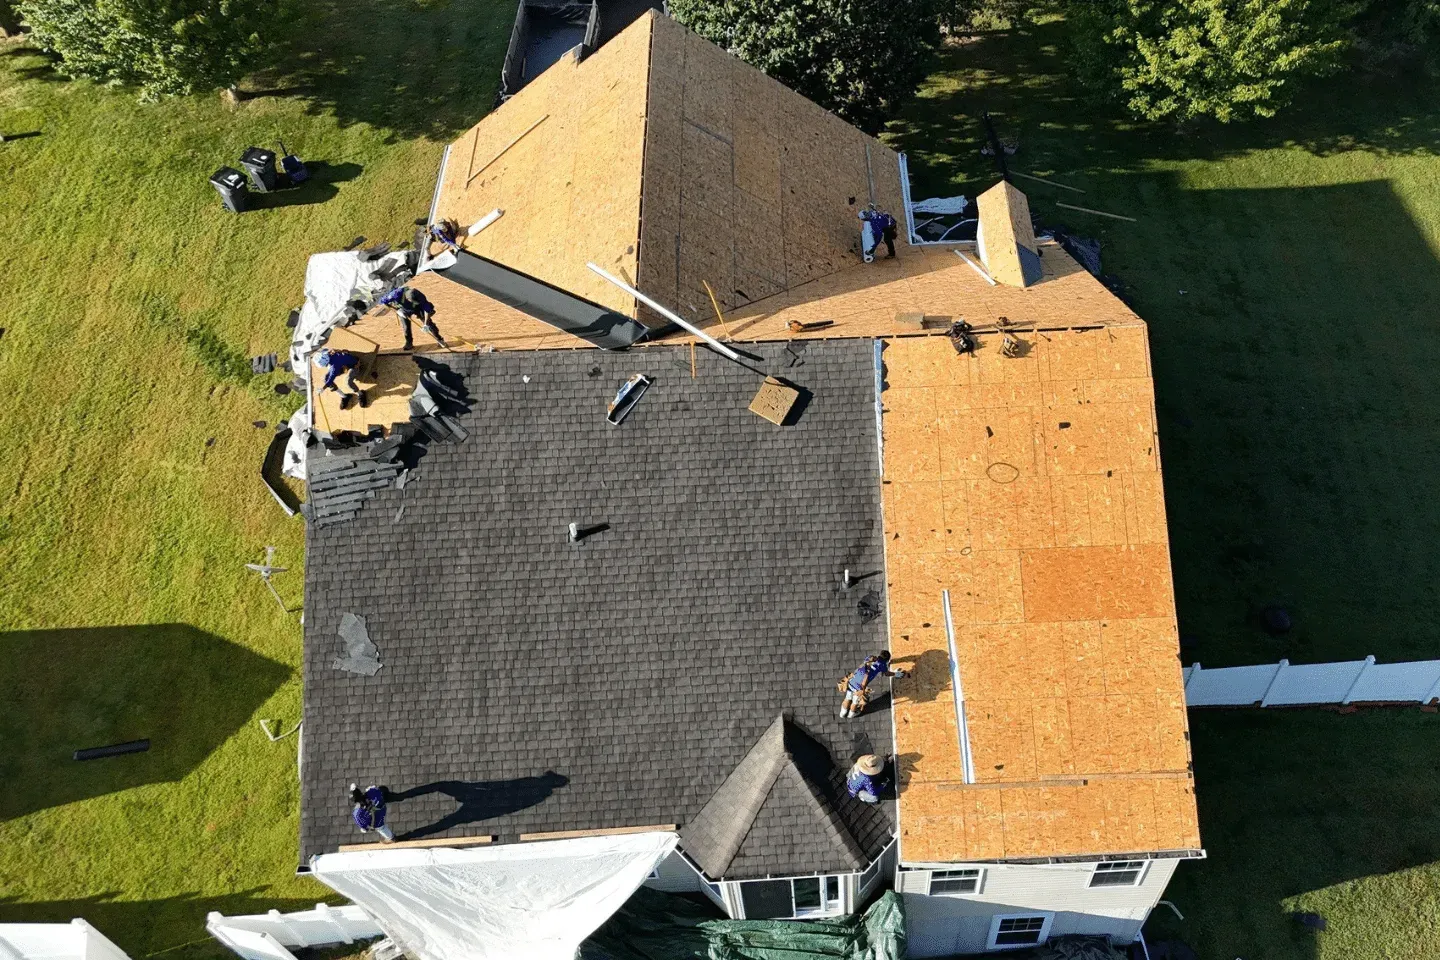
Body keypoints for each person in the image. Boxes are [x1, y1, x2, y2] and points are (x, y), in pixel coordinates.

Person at [839, 649, 906, 719]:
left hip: (852, 681)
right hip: (859, 688)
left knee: (847, 698)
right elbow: (887, 673)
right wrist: (895, 674)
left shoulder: (870, 658)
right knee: (855, 702)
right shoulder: (882, 665)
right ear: (886, 660)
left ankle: (842, 714)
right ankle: (851, 715)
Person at [380, 286, 446, 351]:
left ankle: (439, 339)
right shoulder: (394, 294)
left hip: (418, 308)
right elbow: (383, 302)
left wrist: (425, 324)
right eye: (413, 301)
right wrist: (397, 311)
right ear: (408, 299)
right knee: (406, 327)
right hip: (403, 310)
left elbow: (427, 310)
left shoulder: (420, 296)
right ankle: (409, 343)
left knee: (429, 324)